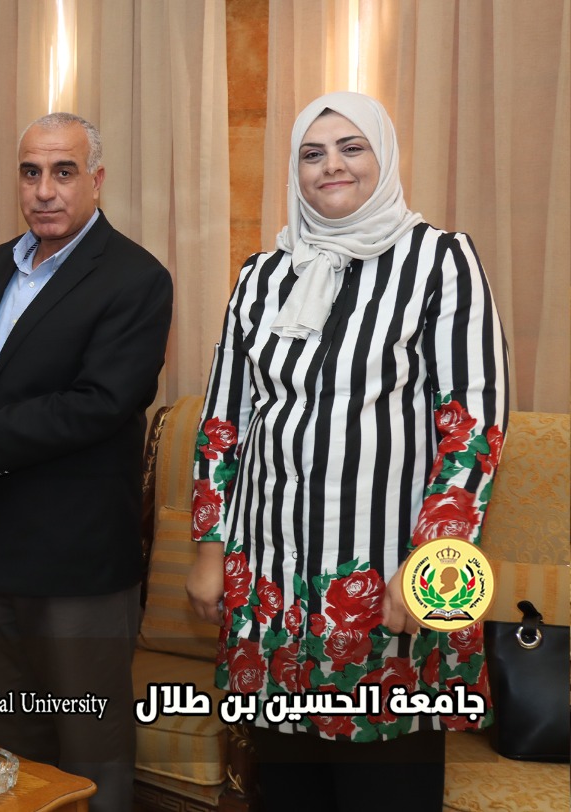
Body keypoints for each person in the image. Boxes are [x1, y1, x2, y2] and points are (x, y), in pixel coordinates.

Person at [185, 91, 508, 810]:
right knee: (287, 787)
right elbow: (223, 419)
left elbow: (472, 427)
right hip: (268, 582)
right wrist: (209, 551)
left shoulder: (439, 261)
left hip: (387, 580)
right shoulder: (262, 276)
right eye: (312, 153)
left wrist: (434, 569)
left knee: (384, 786)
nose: (331, 165)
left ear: (383, 158)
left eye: (351, 147)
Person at [0, 112, 173, 811]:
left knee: (90, 751)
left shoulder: (136, 277)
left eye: (63, 172)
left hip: (76, 562)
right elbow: (10, 374)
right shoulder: (3, 261)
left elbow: (98, 404)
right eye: (31, 172)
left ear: (97, 180)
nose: (45, 190)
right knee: (4, 746)